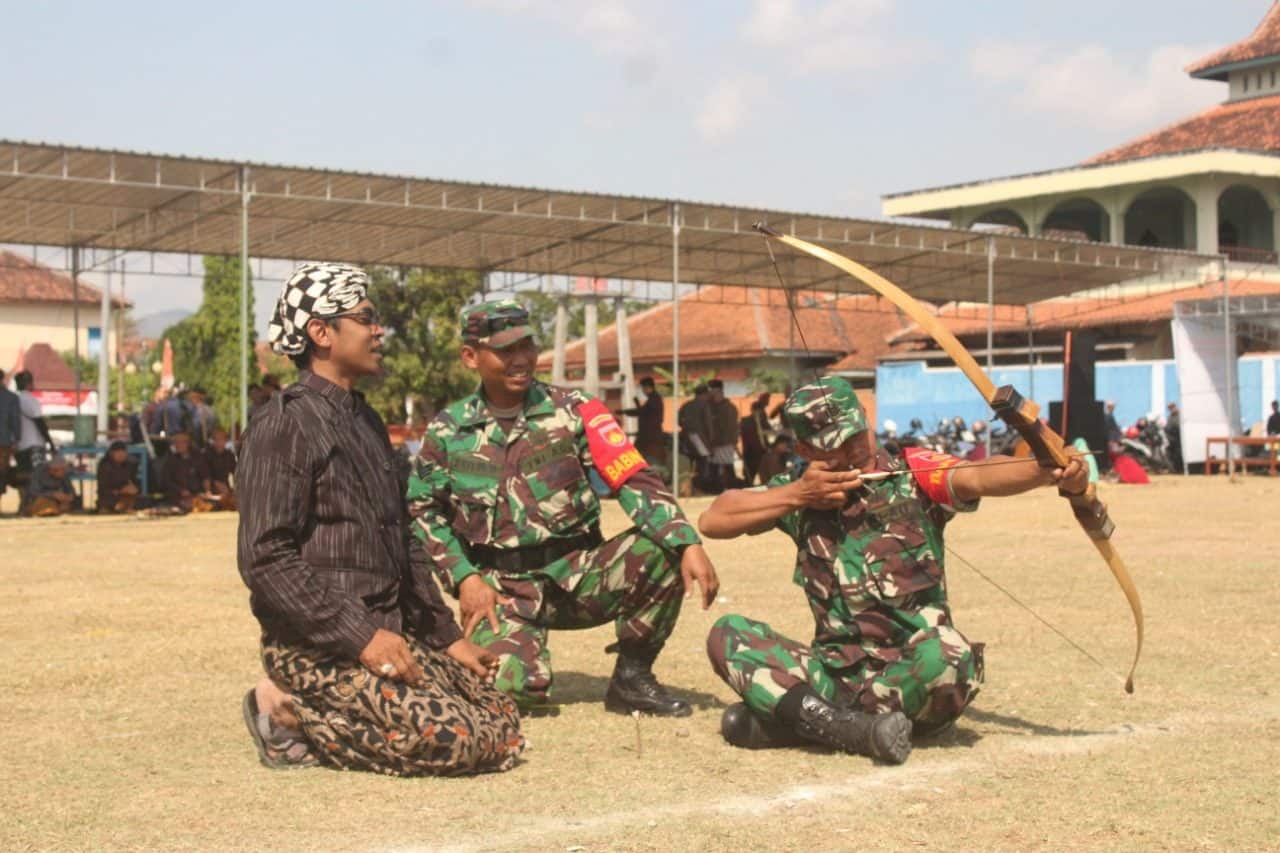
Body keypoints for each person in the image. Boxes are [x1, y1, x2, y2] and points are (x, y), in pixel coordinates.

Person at [697, 377, 1088, 765]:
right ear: (804, 448)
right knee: (728, 633)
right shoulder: (802, 493)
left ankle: (808, 721)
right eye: (834, 447)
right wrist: (798, 495)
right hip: (833, 676)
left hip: (911, 676)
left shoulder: (912, 473)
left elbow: (978, 475)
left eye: (855, 437)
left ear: (866, 419)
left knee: (952, 655)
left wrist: (1046, 467)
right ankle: (853, 729)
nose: (852, 453)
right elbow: (714, 519)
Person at [239, 261, 522, 775]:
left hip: (387, 635)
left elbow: (404, 539)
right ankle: (283, 709)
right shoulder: (282, 424)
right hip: (318, 645)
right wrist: (361, 636)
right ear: (321, 333)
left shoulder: (364, 420)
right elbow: (264, 559)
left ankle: (327, 706)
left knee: (499, 717)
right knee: (457, 740)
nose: (378, 330)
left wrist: (446, 637)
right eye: (365, 318)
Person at [407, 299, 720, 717]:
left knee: (662, 549)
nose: (521, 360)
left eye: (527, 346)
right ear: (470, 357)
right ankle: (506, 661)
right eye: (505, 351)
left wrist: (686, 541)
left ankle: (632, 679)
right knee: (510, 693)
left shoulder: (575, 411)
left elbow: (631, 477)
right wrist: (464, 578)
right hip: (501, 594)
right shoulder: (449, 430)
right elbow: (422, 512)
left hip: (577, 577)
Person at [14, 371, 56, 495]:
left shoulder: (13, 399)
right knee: (37, 474)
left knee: (22, 475)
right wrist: (50, 443)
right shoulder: (31, 400)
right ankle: (34, 501)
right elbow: (40, 422)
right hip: (34, 444)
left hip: (19, 445)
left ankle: (23, 503)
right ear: (29, 384)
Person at [618, 376, 666, 465]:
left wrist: (625, 412)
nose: (643, 390)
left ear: (647, 387)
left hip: (651, 436)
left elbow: (641, 412)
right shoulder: (653, 399)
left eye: (643, 388)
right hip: (647, 435)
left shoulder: (654, 399)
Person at [677, 383, 714, 492]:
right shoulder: (704, 405)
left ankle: (689, 487)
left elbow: (679, 421)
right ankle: (699, 487)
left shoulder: (686, 405)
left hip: (685, 439)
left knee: (689, 463)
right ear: (704, 394)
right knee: (703, 462)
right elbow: (708, 424)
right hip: (699, 438)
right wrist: (711, 439)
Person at [162, 432, 212, 513]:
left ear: (188, 443)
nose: (178, 445)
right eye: (176, 442)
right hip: (177, 496)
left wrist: (207, 490)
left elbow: (205, 476)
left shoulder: (198, 458)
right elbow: (166, 481)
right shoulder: (170, 461)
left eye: (182, 442)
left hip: (197, 494)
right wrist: (180, 490)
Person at [707, 379, 740, 492]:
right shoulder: (711, 407)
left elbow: (731, 428)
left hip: (725, 442)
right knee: (715, 466)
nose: (711, 394)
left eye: (713, 391)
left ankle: (732, 488)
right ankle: (717, 488)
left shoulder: (729, 408)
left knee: (727, 466)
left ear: (719, 391)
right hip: (715, 443)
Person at [96, 441, 140, 513]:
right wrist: (120, 491)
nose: (121, 455)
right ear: (112, 453)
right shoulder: (105, 466)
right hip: (109, 496)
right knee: (107, 502)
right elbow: (103, 489)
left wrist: (134, 488)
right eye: (118, 452)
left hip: (125, 496)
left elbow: (134, 481)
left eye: (123, 452)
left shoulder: (130, 465)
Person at [740, 393, 773, 486]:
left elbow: (768, 431)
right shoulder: (746, 421)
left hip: (759, 449)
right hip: (752, 450)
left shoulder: (761, 420)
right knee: (750, 472)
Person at [204, 427, 238, 511]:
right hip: (210, 487)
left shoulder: (229, 455)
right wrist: (209, 489)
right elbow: (205, 475)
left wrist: (236, 488)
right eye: (216, 439)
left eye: (221, 439)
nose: (219, 442)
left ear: (226, 440)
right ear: (212, 441)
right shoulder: (206, 454)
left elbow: (235, 473)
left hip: (225, 487)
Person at [0, 369, 20, 505]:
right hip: (4, 443)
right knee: (1, 473)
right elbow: (15, 421)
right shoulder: (11, 398)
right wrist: (16, 440)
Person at [1165, 402, 1183, 473]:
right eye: (1170, 408)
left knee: (1179, 454)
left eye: (1172, 407)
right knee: (1171, 454)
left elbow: (1179, 426)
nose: (1172, 409)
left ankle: (1180, 469)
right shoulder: (1170, 417)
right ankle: (1175, 469)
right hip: (1171, 439)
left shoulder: (1181, 415)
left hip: (1179, 438)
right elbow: (1168, 427)